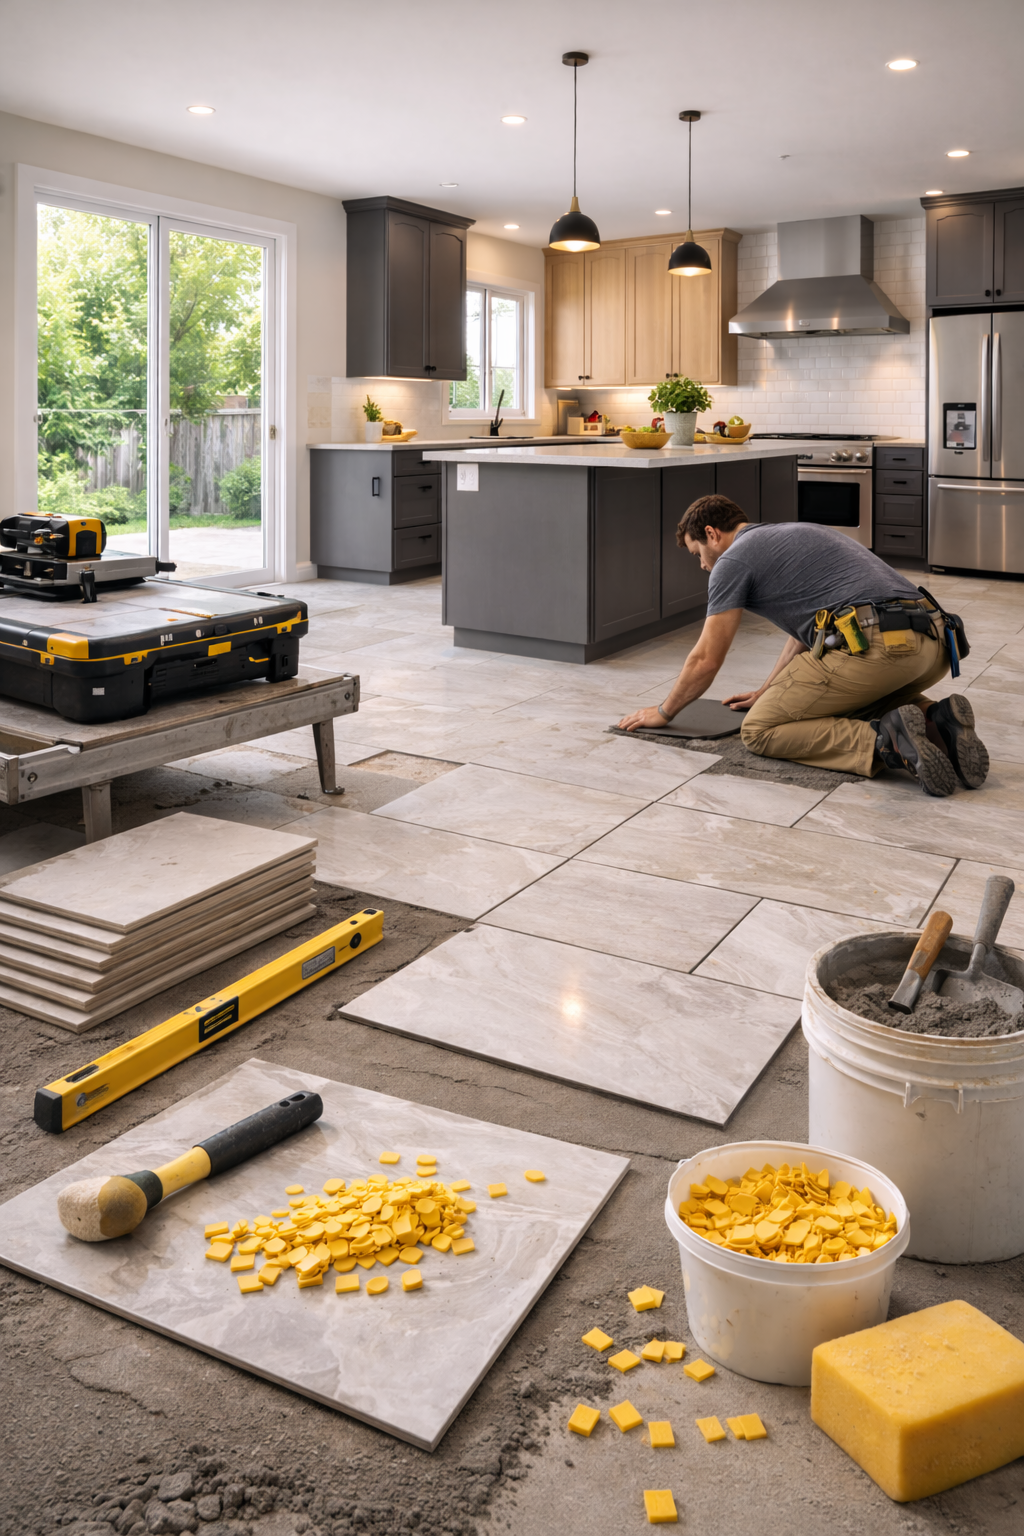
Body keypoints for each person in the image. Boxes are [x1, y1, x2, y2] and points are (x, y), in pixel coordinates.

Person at [617, 494, 988, 796]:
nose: (701, 565)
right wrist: (768, 689)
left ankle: (885, 741)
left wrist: (664, 712)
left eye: (696, 552)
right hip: (936, 643)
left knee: (760, 730)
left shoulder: (732, 560)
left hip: (880, 648)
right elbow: (805, 630)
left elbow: (706, 660)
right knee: (843, 696)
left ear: (712, 534)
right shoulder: (793, 534)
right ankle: (937, 722)